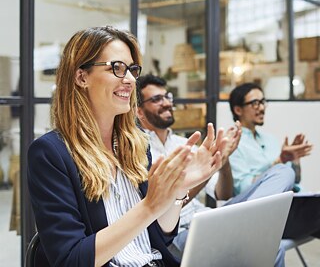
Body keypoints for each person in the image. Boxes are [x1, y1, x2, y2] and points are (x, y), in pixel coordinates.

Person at [27, 26, 227, 267]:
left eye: (132, 69)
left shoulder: (136, 143)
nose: (131, 80)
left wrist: (178, 189)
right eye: (117, 68)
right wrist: (149, 206)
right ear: (81, 77)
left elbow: (161, 234)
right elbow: (71, 259)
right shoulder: (50, 153)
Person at [136, 74, 294, 267]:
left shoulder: (187, 144)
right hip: (177, 235)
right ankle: (247, 226)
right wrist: (206, 172)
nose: (166, 103)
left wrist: (223, 160)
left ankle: (246, 222)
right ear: (139, 112)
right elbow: (160, 209)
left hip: (208, 218)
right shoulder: (139, 152)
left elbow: (223, 193)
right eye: (156, 99)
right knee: (273, 249)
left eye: (167, 97)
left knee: (283, 172)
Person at [228, 82, 320, 241]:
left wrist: (295, 160)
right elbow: (245, 189)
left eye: (263, 102)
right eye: (255, 103)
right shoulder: (232, 143)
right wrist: (280, 161)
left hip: (291, 204)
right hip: (262, 214)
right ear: (238, 110)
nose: (262, 108)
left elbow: (295, 180)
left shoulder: (269, 140)